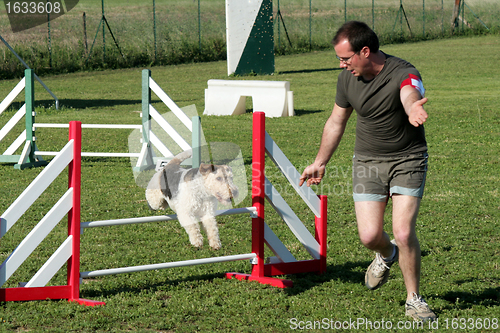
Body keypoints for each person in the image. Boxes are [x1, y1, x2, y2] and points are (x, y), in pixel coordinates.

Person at [299, 21, 436, 322]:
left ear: (365, 51)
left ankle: (414, 299)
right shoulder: (346, 80)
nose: (342, 64)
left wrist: (413, 108)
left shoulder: (403, 72)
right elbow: (336, 122)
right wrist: (320, 161)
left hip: (407, 160)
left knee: (402, 231)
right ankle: (386, 255)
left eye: (346, 58)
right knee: (370, 235)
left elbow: (409, 92)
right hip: (367, 162)